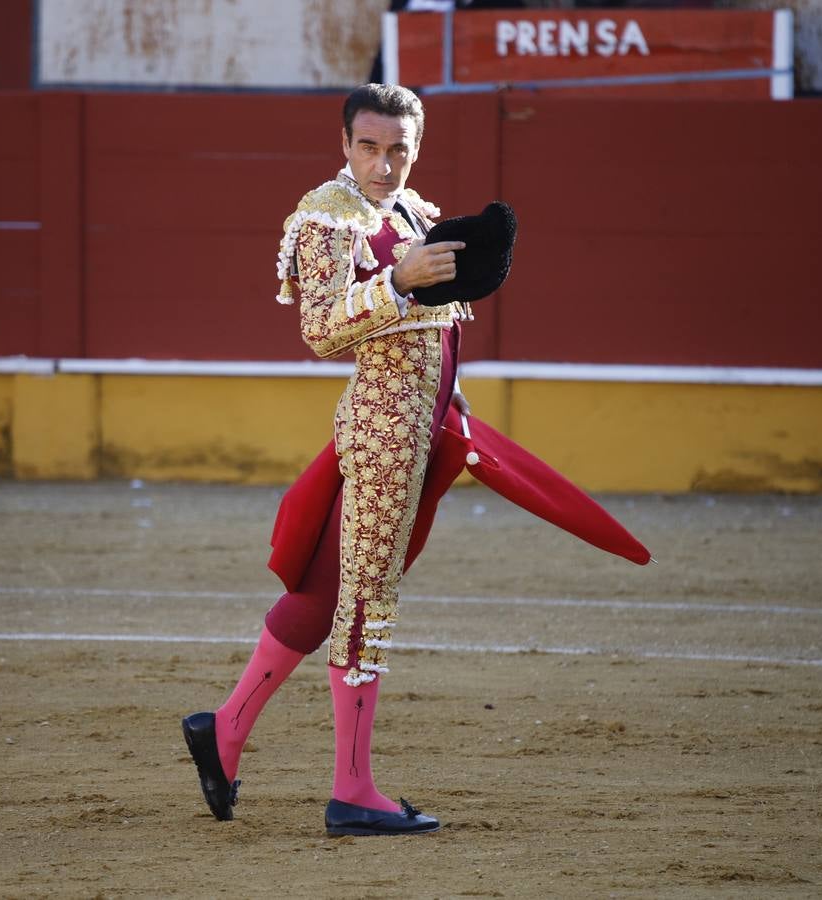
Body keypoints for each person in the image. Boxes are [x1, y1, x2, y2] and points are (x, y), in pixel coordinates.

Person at [182, 83, 474, 837]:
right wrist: (397, 283)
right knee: (366, 606)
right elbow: (318, 328)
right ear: (345, 144)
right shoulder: (325, 215)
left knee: (322, 593)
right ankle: (353, 790)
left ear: (417, 147)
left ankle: (226, 731)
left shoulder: (411, 211)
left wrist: (453, 397)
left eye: (399, 149)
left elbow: (435, 332)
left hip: (417, 426)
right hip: (382, 432)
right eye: (369, 148)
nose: (384, 165)